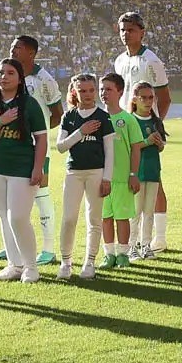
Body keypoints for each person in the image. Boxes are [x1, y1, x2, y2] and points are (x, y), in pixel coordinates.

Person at [0, 59, 49, 283]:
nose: (4, 77)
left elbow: (42, 139)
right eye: (1, 73)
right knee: (4, 218)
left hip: (22, 169)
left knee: (18, 217)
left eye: (10, 73)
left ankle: (31, 267)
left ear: (19, 79)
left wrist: (38, 168)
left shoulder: (29, 104)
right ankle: (14, 265)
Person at [113, 12, 172, 252]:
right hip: (126, 129)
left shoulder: (151, 61)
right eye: (122, 30)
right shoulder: (119, 60)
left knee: (154, 183)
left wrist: (154, 125)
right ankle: (131, 240)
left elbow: (165, 98)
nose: (126, 34)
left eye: (131, 30)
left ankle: (158, 237)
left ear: (142, 32)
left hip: (146, 131)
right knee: (129, 181)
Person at [3, 35, 61, 266]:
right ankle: (11, 246)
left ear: (31, 52)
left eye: (18, 47)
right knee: (11, 198)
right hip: (11, 147)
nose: (13, 50)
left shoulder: (44, 79)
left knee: (40, 194)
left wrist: (40, 133)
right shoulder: (9, 74)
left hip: (37, 148)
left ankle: (48, 248)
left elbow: (57, 113)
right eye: (12, 46)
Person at [54, 74, 115, 280]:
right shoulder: (68, 116)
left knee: (94, 219)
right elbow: (61, 147)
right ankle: (66, 262)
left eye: (91, 90)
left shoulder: (103, 117)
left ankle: (89, 262)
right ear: (74, 92)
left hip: (96, 173)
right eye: (82, 91)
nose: (88, 95)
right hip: (74, 172)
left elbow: (110, 151)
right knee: (69, 218)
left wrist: (107, 178)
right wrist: (81, 131)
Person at [99, 73, 143, 268]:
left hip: (122, 178)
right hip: (100, 179)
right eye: (102, 89)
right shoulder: (97, 118)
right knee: (105, 217)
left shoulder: (127, 119)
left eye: (108, 89)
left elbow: (136, 148)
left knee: (122, 217)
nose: (103, 93)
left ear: (120, 91)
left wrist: (133, 174)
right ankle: (109, 254)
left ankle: (123, 254)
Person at [129, 82, 168, 260]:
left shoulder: (156, 121)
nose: (147, 101)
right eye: (143, 97)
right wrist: (147, 141)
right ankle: (131, 246)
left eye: (150, 97)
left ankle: (146, 245)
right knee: (135, 212)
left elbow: (160, 148)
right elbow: (129, 147)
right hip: (136, 172)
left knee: (149, 211)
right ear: (135, 99)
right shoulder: (130, 120)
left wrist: (159, 144)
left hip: (152, 171)